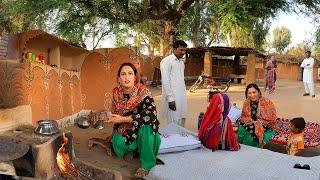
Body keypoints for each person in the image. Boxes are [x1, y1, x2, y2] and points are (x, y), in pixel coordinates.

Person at [90, 62, 161, 178]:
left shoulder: (144, 92)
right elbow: (114, 114)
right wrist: (111, 124)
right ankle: (135, 150)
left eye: (130, 74)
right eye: (123, 74)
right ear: (118, 79)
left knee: (147, 125)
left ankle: (147, 164)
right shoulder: (116, 93)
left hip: (143, 129)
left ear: (135, 77)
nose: (126, 77)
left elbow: (150, 114)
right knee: (117, 145)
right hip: (126, 129)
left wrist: (122, 119)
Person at [237, 83, 277, 148]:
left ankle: (253, 150)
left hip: (266, 124)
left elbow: (271, 119)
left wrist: (256, 123)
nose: (252, 95)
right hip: (251, 123)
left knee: (253, 133)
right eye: (249, 93)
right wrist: (249, 121)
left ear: (258, 92)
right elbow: (244, 116)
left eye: (254, 92)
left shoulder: (266, 102)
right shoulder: (246, 102)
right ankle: (242, 147)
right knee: (241, 128)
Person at [160, 40, 188, 127]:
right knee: (173, 122)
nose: (183, 52)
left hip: (181, 96)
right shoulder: (166, 61)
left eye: (184, 50)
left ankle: (179, 139)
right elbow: (165, 81)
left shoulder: (181, 63)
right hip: (173, 98)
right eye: (181, 50)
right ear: (174, 49)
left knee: (181, 119)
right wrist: (170, 99)